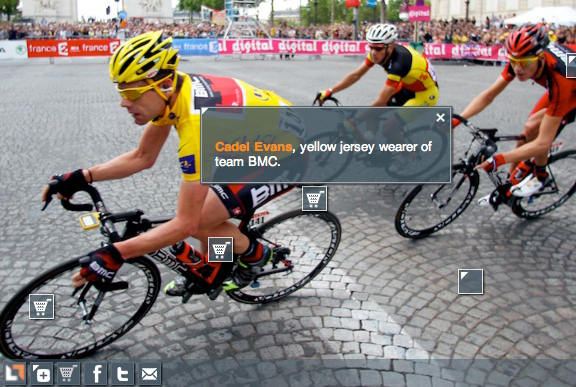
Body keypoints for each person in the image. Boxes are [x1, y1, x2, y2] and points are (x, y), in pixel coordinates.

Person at [41, 31, 299, 295]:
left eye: (132, 92)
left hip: (289, 154)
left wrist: (116, 253)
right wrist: (83, 176)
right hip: (249, 140)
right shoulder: (173, 91)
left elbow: (186, 225)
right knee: (206, 214)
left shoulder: (197, 125)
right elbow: (142, 157)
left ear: (164, 84)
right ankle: (211, 270)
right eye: (121, 91)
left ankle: (256, 256)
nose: (124, 102)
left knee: (201, 222)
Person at [457, 23, 576, 207]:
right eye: (513, 61)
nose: (518, 68)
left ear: (540, 57)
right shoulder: (521, 58)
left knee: (535, 127)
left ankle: (541, 176)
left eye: (524, 63)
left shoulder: (560, 75)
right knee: (526, 135)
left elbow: (543, 143)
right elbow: (489, 95)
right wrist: (456, 120)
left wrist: (498, 160)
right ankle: (509, 185)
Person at [316, 23, 439, 167]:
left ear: (390, 46)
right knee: (372, 113)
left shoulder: (400, 63)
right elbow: (356, 75)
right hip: (407, 86)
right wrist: (330, 91)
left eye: (378, 48)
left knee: (389, 127)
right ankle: (371, 145)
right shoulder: (381, 53)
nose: (373, 52)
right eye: (371, 47)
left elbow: (381, 100)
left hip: (424, 95)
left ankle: (406, 154)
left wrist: (355, 121)